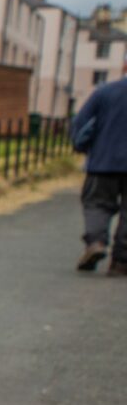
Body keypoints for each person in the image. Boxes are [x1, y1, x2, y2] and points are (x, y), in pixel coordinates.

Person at [71, 74, 127, 275]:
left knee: (96, 204)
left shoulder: (105, 92)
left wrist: (80, 145)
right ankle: (121, 261)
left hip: (103, 161)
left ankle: (96, 242)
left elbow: (81, 121)